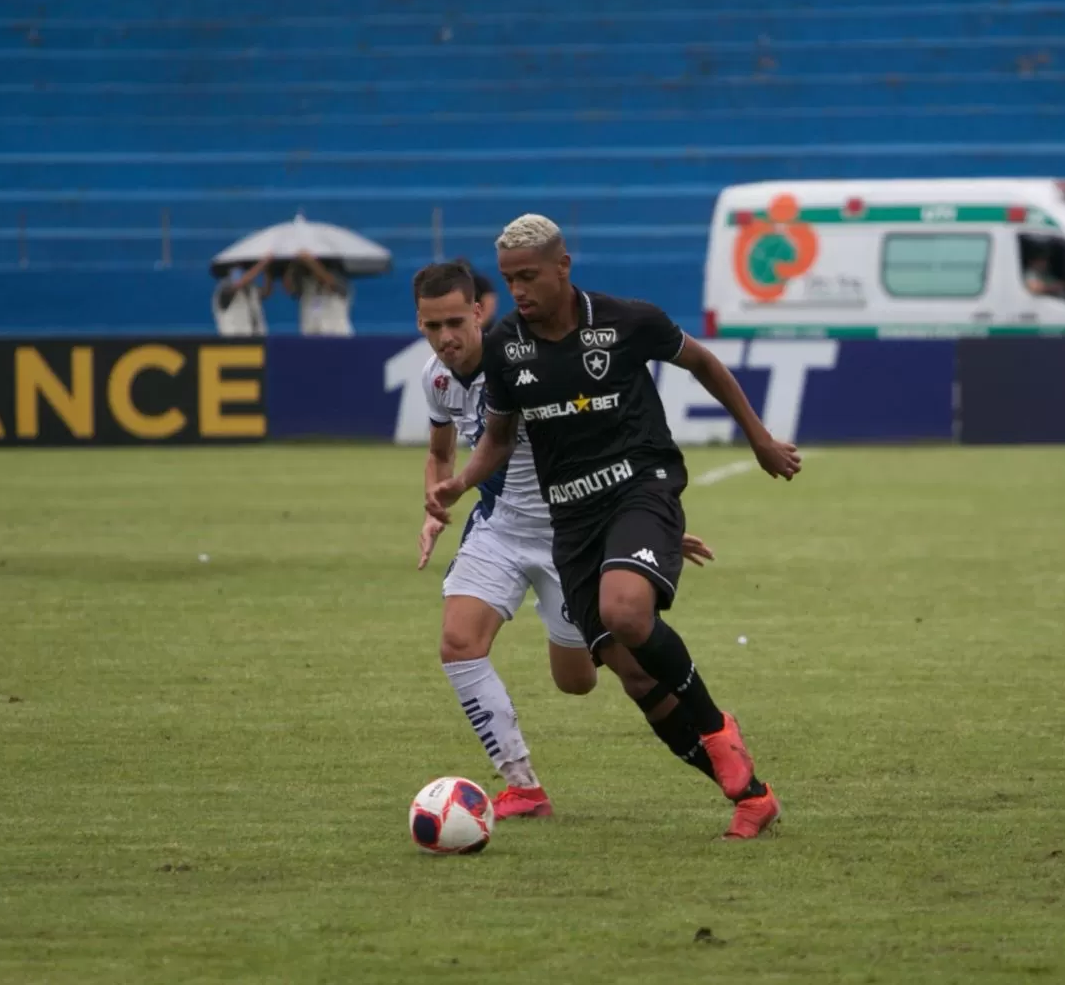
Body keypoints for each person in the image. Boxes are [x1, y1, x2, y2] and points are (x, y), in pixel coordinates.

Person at [426, 215, 802, 840]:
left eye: (530, 277)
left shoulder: (628, 321)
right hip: (571, 522)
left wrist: (759, 440)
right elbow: (496, 439)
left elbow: (704, 363)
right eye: (509, 279)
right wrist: (461, 483)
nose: (518, 291)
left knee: (626, 612)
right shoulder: (505, 349)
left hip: (641, 488)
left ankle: (716, 728)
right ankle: (750, 795)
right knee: (634, 677)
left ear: (562, 267)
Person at [412, 259, 717, 819]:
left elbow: (602, 445)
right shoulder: (434, 378)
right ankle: (521, 785)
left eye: (455, 322)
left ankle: (721, 753)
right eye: (431, 327)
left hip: (569, 533)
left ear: (480, 312)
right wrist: (435, 504)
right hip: (499, 528)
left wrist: (648, 520)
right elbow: (439, 454)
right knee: (458, 644)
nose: (445, 338)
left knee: (576, 681)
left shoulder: (525, 362)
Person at [283, 251, 354, 336]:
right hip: (311, 336)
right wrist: (293, 265)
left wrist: (310, 261)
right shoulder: (308, 284)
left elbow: (329, 281)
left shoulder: (341, 283)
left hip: (338, 336)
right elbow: (289, 288)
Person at [210, 259, 272, 337]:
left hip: (257, 338)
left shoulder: (251, 288)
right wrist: (262, 263)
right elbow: (238, 284)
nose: (241, 271)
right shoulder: (223, 291)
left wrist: (268, 272)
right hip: (235, 341)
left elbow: (266, 293)